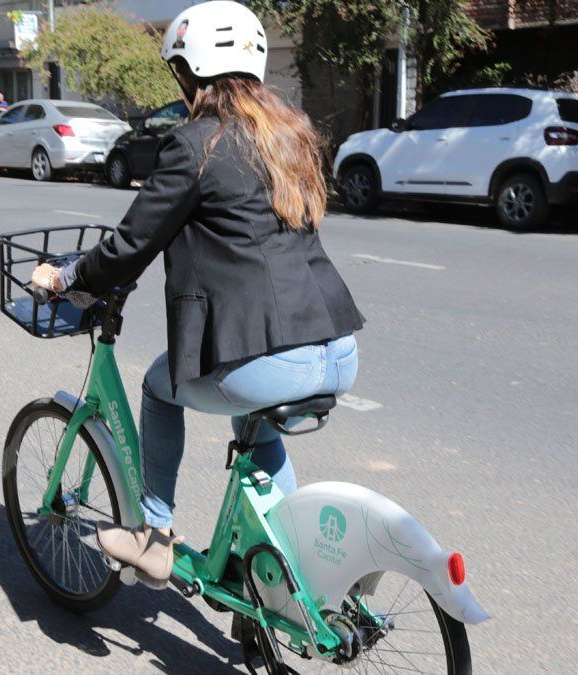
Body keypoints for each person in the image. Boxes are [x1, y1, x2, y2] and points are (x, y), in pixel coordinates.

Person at [29, 0, 363, 588]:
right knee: (252, 427)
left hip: (269, 360)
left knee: (160, 389)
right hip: (335, 347)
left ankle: (151, 534)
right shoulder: (289, 134)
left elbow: (131, 244)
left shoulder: (195, 143)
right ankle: (280, 574)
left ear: (189, 72)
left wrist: (66, 277)